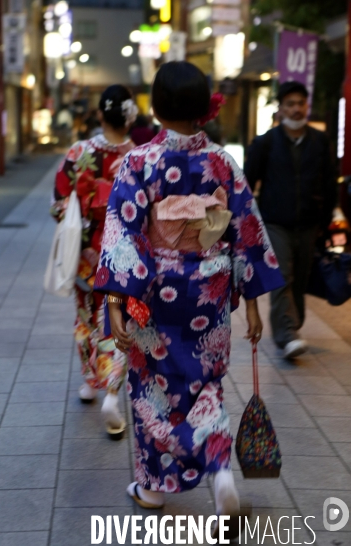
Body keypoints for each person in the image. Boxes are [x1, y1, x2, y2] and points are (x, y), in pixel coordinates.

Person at [94, 62, 283, 537]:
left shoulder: (140, 162)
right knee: (206, 383)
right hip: (211, 293)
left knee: (152, 389)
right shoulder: (222, 162)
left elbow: (123, 231)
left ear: (155, 107)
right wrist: (254, 303)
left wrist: (117, 301)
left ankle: (154, 489)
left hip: (155, 291)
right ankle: (220, 471)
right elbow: (246, 231)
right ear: (204, 107)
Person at [51, 85, 138, 436]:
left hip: (85, 255)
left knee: (86, 316)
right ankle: (113, 392)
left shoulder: (79, 151)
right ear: (130, 116)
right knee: (117, 320)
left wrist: (72, 212)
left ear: (100, 114)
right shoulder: (139, 156)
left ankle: (90, 382)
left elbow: (59, 203)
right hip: (123, 254)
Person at [245, 81, 337, 360]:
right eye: (291, 104)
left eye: (301, 103)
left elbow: (330, 183)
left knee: (300, 282)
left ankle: (291, 328)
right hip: (274, 222)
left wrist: (327, 220)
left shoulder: (320, 142)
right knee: (282, 276)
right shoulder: (265, 143)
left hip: (309, 223)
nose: (296, 109)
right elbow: (247, 184)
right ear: (281, 108)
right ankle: (287, 334)